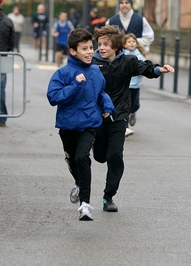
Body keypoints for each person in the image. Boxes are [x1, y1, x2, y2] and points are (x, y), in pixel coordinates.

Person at [92, 25, 174, 212]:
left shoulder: (127, 61)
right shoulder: (92, 63)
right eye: (99, 44)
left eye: (106, 44)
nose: (101, 48)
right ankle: (96, 146)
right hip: (97, 116)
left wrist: (160, 69)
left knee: (115, 155)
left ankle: (108, 196)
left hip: (120, 115)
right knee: (100, 157)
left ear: (116, 46)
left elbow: (145, 67)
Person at [47, 28, 114, 221]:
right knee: (73, 159)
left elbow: (101, 92)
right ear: (73, 51)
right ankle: (78, 181)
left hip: (89, 123)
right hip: (67, 126)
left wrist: (107, 105)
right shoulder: (63, 73)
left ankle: (85, 204)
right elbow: (53, 97)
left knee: (83, 157)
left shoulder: (95, 71)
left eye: (90, 47)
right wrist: (74, 85)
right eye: (84, 48)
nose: (89, 52)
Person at [123, 33, 146, 137]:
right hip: (126, 85)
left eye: (133, 42)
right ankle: (126, 126)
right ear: (124, 44)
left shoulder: (140, 56)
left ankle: (133, 114)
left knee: (135, 104)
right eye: (129, 42)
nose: (132, 44)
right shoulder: (123, 55)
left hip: (136, 85)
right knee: (126, 106)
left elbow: (145, 67)